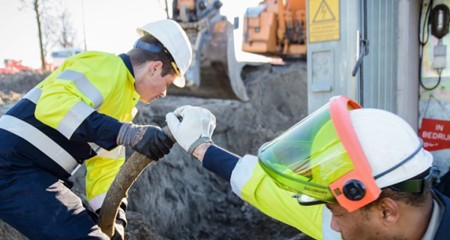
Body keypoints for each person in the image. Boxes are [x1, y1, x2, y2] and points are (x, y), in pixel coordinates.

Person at [0, 19, 192, 240]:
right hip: (11, 165)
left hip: (34, 174)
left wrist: (115, 221)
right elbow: (52, 104)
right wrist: (127, 133)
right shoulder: (106, 66)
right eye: (167, 83)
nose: (164, 93)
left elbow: (105, 171)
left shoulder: (123, 107)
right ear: (155, 67)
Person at [165, 95, 450, 240]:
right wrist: (203, 148)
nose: (332, 224)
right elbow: (270, 190)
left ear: (386, 211)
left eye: (335, 213)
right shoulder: (364, 218)